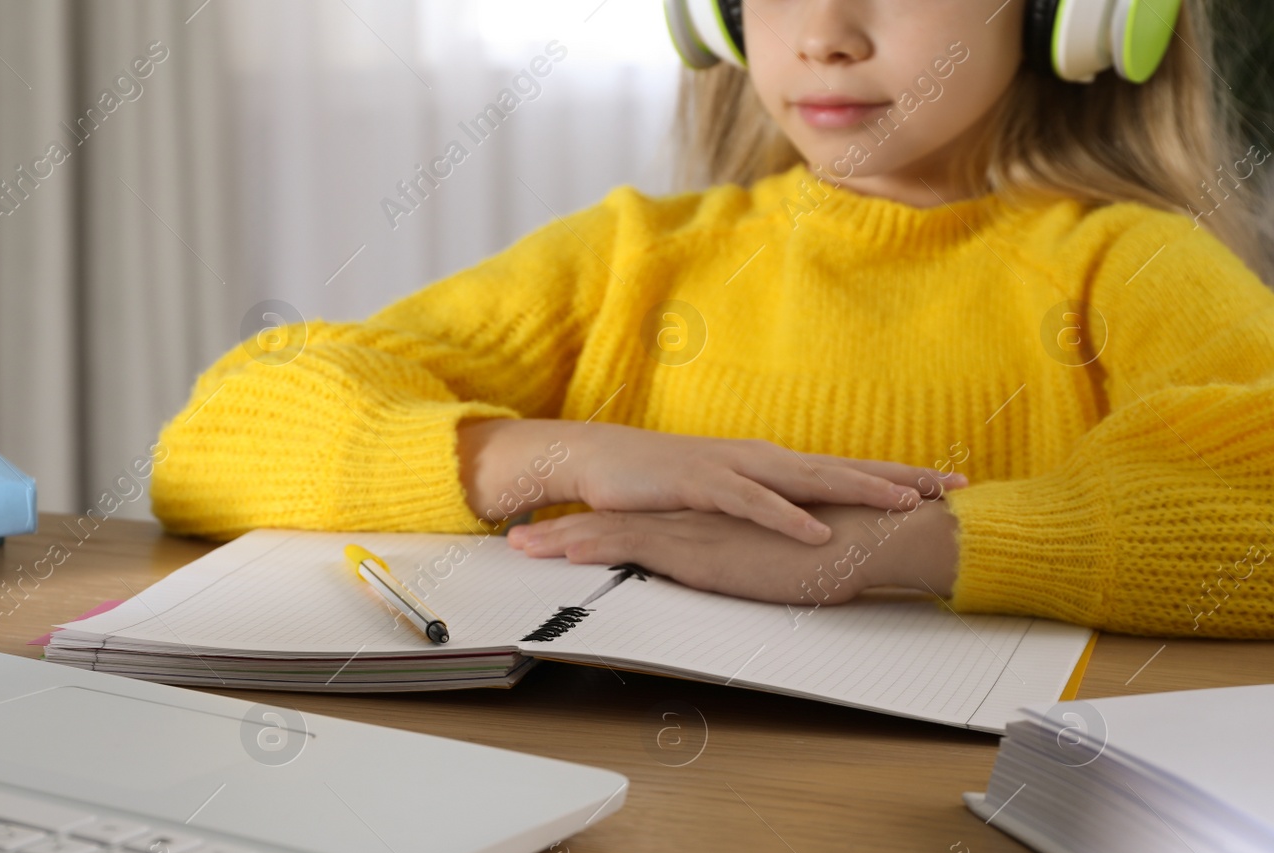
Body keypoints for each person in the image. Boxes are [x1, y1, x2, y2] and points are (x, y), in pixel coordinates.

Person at [151, 0, 1274, 639]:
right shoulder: (637, 256)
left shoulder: (1125, 267)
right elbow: (214, 442)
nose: (824, 32)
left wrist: (905, 548)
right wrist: (552, 453)